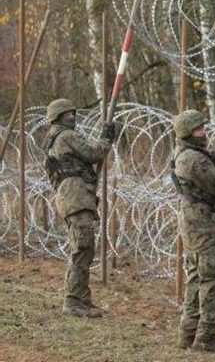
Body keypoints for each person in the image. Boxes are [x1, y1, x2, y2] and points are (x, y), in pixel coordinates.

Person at [44, 98, 120, 318]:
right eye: (68, 114)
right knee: (83, 247)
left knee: (84, 247)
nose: (73, 117)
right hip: (75, 197)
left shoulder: (53, 138)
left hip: (72, 196)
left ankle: (82, 299)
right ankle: (73, 301)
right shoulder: (66, 136)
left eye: (73, 112)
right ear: (57, 117)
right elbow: (93, 153)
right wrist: (106, 137)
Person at [171, 110, 215, 353]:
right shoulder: (193, 159)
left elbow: (211, 159)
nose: (204, 132)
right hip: (205, 228)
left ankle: (187, 333)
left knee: (196, 279)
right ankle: (207, 338)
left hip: (194, 227)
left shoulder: (186, 153)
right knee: (213, 282)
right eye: (199, 129)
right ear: (189, 133)